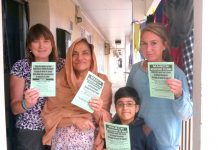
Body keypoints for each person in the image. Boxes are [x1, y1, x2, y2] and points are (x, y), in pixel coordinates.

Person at [126, 23, 193, 150]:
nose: (148, 49)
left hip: (165, 143)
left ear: (164, 45)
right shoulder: (135, 70)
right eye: (144, 44)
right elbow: (127, 101)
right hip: (138, 141)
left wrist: (179, 95)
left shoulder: (176, 74)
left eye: (154, 43)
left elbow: (187, 114)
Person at [41, 38, 112, 150]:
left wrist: (97, 109)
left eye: (85, 53)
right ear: (69, 58)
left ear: (92, 57)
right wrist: (74, 120)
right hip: (62, 143)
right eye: (74, 54)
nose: (80, 58)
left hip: (90, 142)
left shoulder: (102, 82)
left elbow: (106, 120)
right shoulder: (58, 81)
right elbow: (49, 118)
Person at [10, 23, 65, 150]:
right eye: (35, 41)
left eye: (46, 41)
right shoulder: (21, 66)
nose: (41, 46)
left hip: (58, 125)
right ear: (29, 45)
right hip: (31, 129)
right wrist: (26, 104)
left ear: (52, 44)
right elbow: (14, 107)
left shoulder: (62, 65)